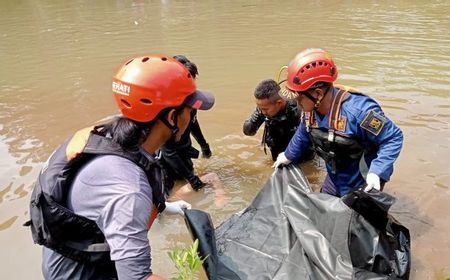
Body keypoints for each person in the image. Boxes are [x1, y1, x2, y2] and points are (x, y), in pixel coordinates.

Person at [26, 55, 215, 280]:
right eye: (190, 110)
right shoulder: (130, 189)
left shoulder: (100, 134)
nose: (192, 116)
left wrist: (163, 206)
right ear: (173, 116)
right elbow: (137, 278)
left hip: (61, 263)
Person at [273, 48, 403, 197]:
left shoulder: (359, 112)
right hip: (335, 175)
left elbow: (393, 138)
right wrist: (288, 155)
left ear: (318, 94)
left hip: (362, 178)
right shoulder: (310, 110)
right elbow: (303, 132)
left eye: (298, 98)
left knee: (357, 217)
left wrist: (377, 171)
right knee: (323, 210)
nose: (296, 103)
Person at [158, 55, 212, 192]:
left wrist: (204, 145)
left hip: (183, 151)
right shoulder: (167, 110)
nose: (192, 87)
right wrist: (192, 179)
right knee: (171, 192)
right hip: (167, 162)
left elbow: (193, 121)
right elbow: (168, 151)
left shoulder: (190, 100)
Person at [243, 79, 313, 162]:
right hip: (277, 150)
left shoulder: (298, 109)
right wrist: (254, 119)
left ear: (279, 103)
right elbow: (248, 132)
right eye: (260, 108)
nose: (262, 112)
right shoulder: (264, 109)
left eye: (265, 109)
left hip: (304, 155)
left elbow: (309, 138)